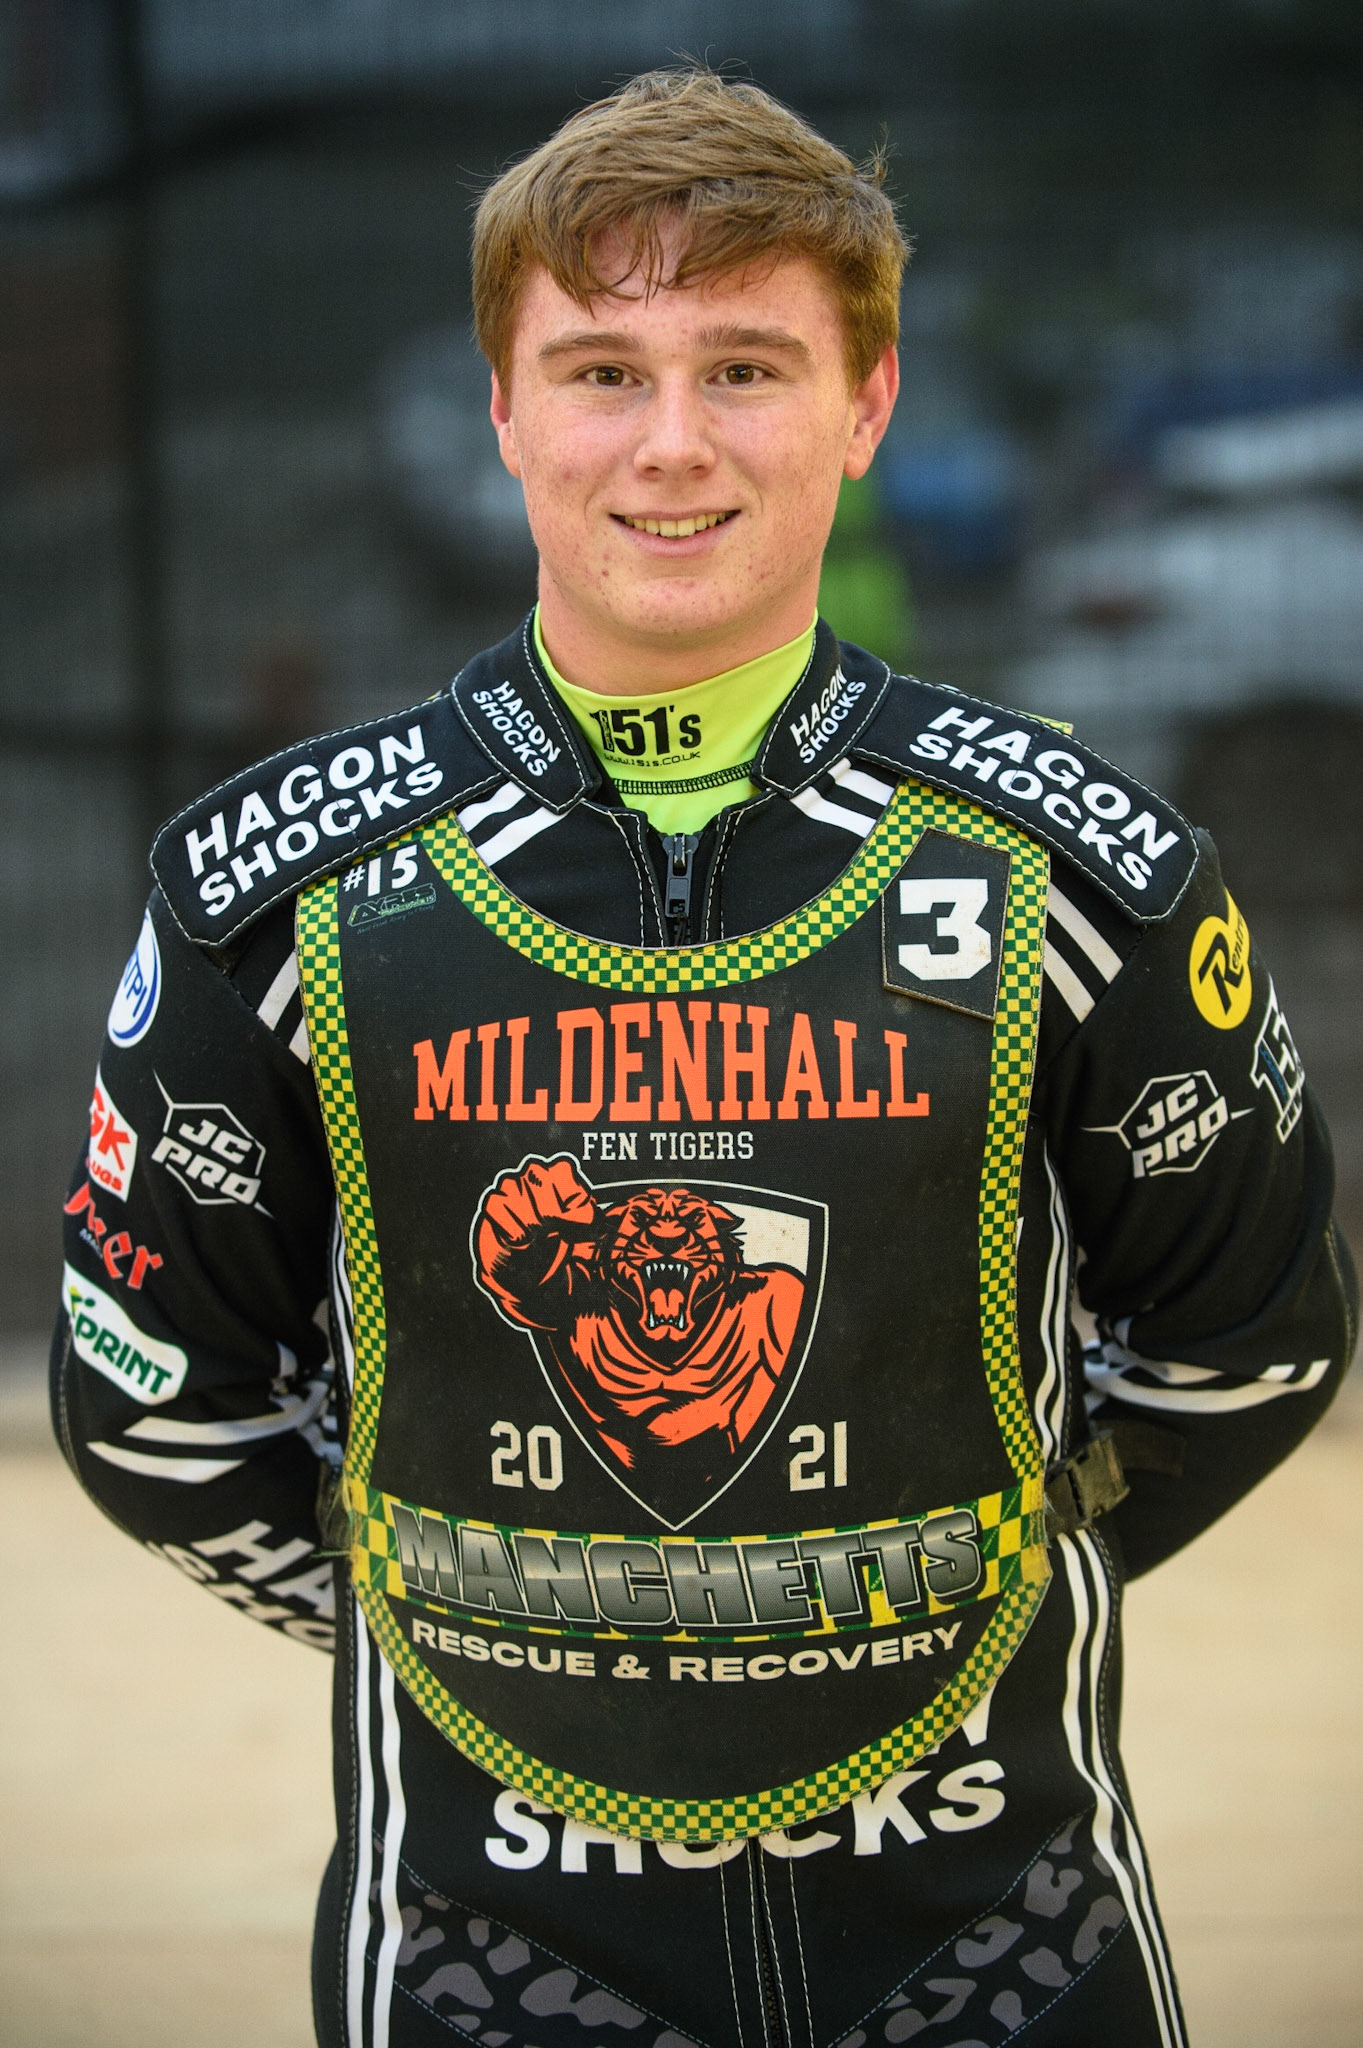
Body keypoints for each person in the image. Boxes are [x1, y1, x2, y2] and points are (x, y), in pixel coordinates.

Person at [54, 68, 1355, 2048]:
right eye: (600, 371)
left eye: (745, 367)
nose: (670, 444)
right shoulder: (278, 895)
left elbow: (1244, 1349)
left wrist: (966, 1596)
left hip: (1003, 1943)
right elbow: (153, 1408)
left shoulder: (1074, 868)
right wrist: (471, 1648)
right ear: (502, 409)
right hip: (479, 1959)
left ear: (868, 404)